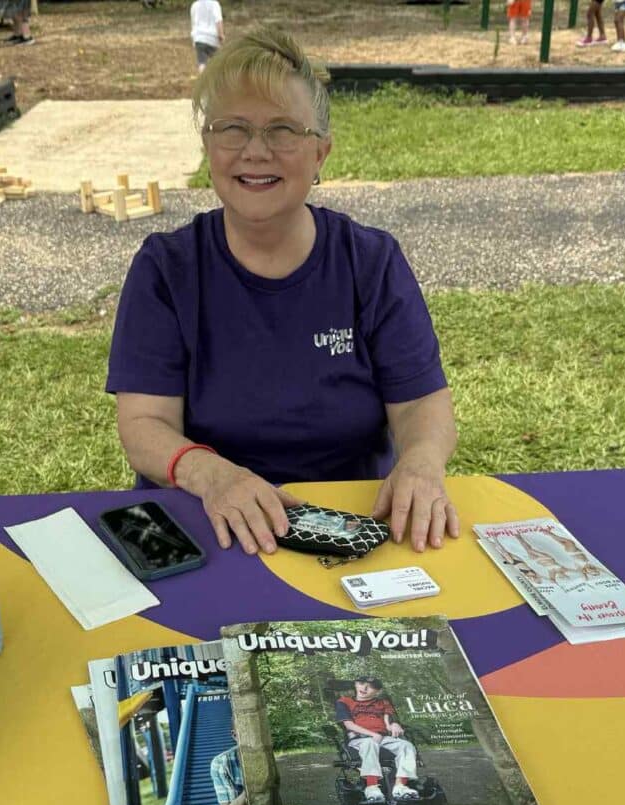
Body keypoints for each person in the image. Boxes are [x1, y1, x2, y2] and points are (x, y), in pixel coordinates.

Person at [106, 28, 459, 558]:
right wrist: (212, 475)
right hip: (206, 522)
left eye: (282, 130)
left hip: (353, 526)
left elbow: (421, 404)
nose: (255, 151)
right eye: (233, 129)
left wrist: (421, 464)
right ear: (208, 147)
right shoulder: (166, 268)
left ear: (321, 152)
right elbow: (144, 425)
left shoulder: (371, 261)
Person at [335, 675, 419, 801]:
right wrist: (372, 734)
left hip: (383, 738)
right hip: (359, 739)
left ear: (377, 691)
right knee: (369, 743)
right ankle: (372, 787)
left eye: (371, 687)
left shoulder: (383, 703)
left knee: (406, 745)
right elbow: (349, 725)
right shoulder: (344, 701)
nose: (364, 688)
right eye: (361, 684)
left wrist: (394, 724)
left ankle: (400, 786)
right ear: (355, 684)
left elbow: (388, 722)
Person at [190, 0, 224, 73]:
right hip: (212, 38)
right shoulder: (215, 4)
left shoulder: (194, 5)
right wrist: (221, 35)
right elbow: (218, 21)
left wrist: (194, 40)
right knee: (217, 61)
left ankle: (202, 78)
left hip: (199, 37)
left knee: (202, 62)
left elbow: (193, 24)